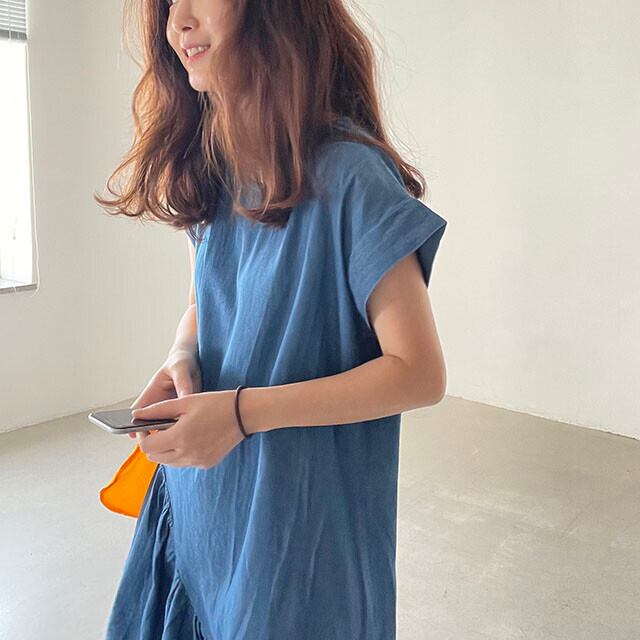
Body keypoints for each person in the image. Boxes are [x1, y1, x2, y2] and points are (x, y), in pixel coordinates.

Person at [95, 0, 448, 638]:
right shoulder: (214, 170)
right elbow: (206, 301)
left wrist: (238, 414)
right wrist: (181, 359)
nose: (177, 21)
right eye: (168, 2)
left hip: (298, 538)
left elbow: (418, 372)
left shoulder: (353, 178)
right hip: (204, 508)